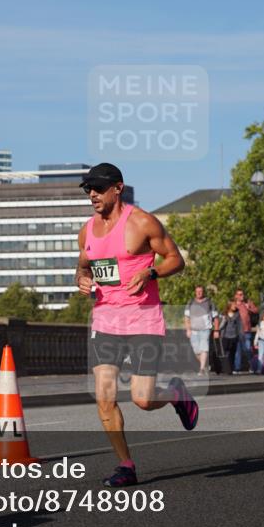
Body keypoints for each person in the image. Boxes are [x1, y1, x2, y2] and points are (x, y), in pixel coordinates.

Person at [76, 162, 197, 487]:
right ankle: (125, 465)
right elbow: (83, 267)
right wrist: (82, 279)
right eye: (89, 189)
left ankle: (176, 395)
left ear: (118, 187)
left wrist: (151, 272)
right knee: (104, 397)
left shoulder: (142, 223)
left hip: (143, 318)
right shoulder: (87, 230)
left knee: (143, 400)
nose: (92, 194)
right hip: (105, 320)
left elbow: (176, 259)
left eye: (98, 188)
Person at [184, 285, 219, 374]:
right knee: (196, 351)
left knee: (204, 348)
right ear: (195, 292)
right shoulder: (190, 302)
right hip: (194, 330)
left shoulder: (209, 302)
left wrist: (216, 330)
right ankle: (204, 365)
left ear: (203, 292)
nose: (199, 293)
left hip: (205, 329)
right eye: (197, 291)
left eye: (201, 291)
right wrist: (188, 329)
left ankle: (202, 369)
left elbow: (216, 317)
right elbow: (186, 317)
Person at [233, 289, 259, 373]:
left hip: (246, 330)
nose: (242, 296)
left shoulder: (247, 303)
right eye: (240, 294)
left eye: (242, 294)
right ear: (236, 296)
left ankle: (252, 366)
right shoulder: (234, 305)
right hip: (237, 331)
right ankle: (237, 368)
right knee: (238, 350)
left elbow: (256, 310)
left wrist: (249, 308)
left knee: (248, 349)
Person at [219, 300, 242, 375]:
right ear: (229, 306)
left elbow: (239, 325)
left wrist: (240, 335)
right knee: (225, 353)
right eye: (233, 305)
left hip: (234, 336)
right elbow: (220, 326)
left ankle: (230, 369)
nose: (235, 306)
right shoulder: (224, 314)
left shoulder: (237, 314)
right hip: (225, 336)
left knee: (232, 353)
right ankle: (225, 368)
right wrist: (223, 321)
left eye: (235, 304)